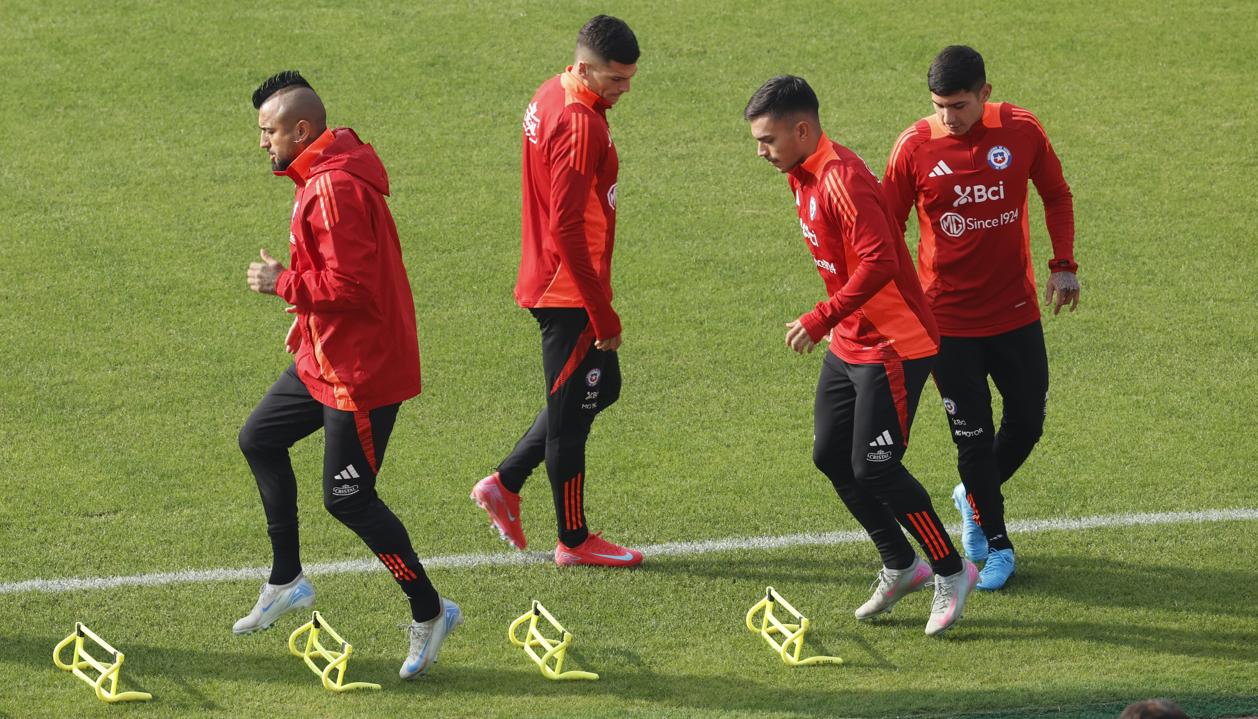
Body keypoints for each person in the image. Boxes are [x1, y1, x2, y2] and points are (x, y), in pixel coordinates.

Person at [237, 71, 460, 679]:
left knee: (348, 499)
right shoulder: (322, 174)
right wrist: (302, 318)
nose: (262, 142)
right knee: (259, 437)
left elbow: (350, 287)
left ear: (301, 129)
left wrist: (281, 283)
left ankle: (430, 609)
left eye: (269, 130)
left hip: (359, 375)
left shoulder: (333, 188)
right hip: (325, 357)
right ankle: (287, 580)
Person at [745, 75, 977, 635]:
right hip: (851, 340)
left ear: (802, 130)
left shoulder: (842, 178)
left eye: (768, 140)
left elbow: (880, 264)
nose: (761, 152)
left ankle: (951, 568)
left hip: (896, 345)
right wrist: (837, 322)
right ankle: (901, 564)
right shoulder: (799, 174)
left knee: (876, 467)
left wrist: (820, 316)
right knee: (830, 456)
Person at [882, 45, 1081, 590]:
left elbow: (1056, 194)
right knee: (972, 437)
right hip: (946, 324)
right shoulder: (914, 147)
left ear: (985, 94)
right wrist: (896, 301)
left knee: (1027, 424)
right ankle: (996, 543)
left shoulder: (1021, 129)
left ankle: (971, 496)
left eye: (960, 104)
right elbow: (883, 231)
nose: (949, 116)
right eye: (939, 105)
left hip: (1016, 313)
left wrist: (1062, 264)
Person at [471, 16, 643, 568]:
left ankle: (506, 481)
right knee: (570, 418)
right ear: (587, 67)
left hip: (555, 278)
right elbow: (569, 227)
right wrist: (603, 312)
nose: (626, 89)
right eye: (616, 79)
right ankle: (573, 540)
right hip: (567, 290)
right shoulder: (580, 124)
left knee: (600, 388)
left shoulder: (552, 91)